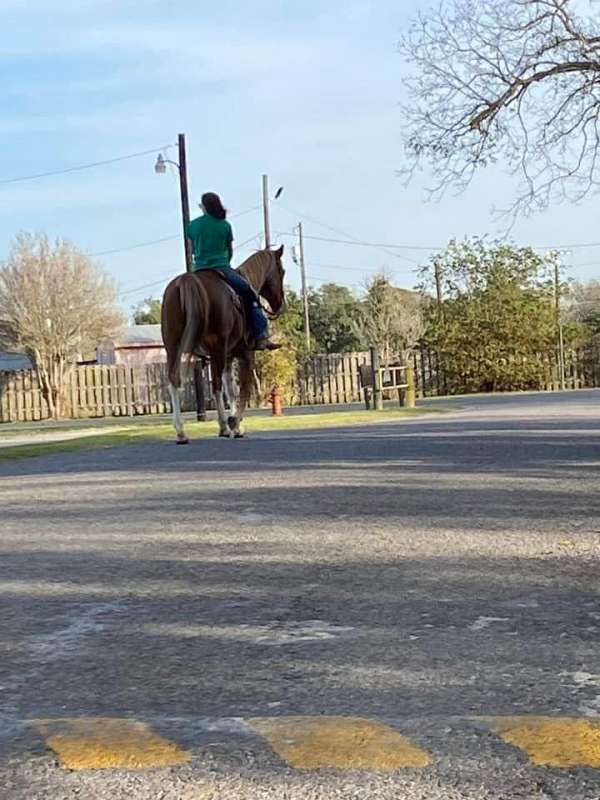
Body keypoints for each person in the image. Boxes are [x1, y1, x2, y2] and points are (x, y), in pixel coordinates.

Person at [186, 192, 280, 350]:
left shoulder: (193, 225)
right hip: (222, 268)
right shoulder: (225, 226)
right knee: (250, 294)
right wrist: (224, 262)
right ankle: (261, 336)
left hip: (199, 270)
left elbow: (191, 249)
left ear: (205, 206)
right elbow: (229, 251)